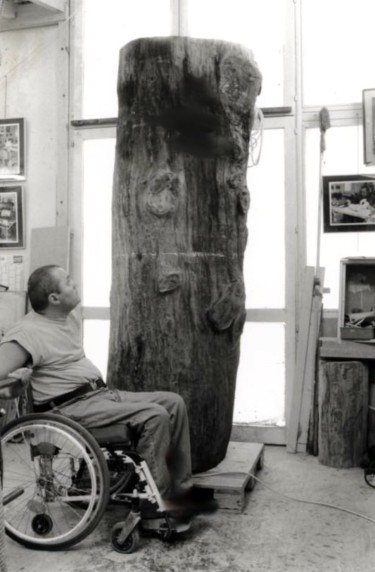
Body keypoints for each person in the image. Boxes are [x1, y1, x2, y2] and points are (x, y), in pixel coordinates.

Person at [0, 264, 208, 513]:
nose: (74, 283)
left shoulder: (65, 319)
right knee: (154, 415)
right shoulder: (26, 333)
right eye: (68, 281)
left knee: (174, 402)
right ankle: (155, 507)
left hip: (98, 395)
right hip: (69, 409)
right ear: (54, 298)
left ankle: (180, 491)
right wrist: (16, 385)